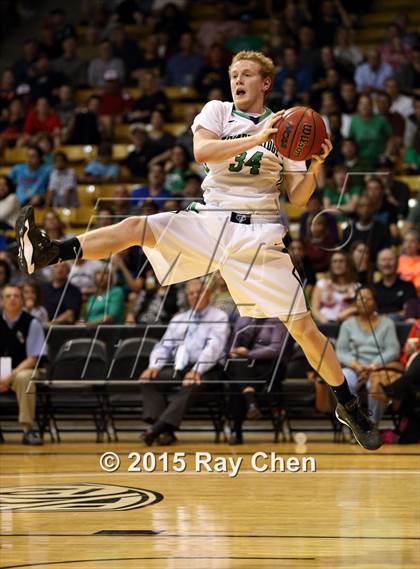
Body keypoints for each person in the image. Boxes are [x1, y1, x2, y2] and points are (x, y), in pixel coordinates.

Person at [15, 50, 383, 450]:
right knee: (139, 226)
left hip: (257, 234)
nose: (238, 81)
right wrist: (258, 138)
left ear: (266, 83)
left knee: (305, 330)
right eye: (234, 75)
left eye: (247, 75)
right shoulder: (218, 112)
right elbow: (203, 152)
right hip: (210, 218)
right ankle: (51, 251)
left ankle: (347, 404)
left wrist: (313, 166)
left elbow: (297, 197)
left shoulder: (286, 126)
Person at [139, 279, 229, 445]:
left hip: (209, 369)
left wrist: (197, 370)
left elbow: (214, 348)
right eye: (191, 293)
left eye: (199, 292)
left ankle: (155, 430)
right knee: (149, 380)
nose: (195, 296)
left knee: (191, 384)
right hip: (181, 367)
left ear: (208, 294)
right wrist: (154, 366)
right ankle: (164, 432)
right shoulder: (179, 319)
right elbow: (164, 346)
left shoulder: (219, 317)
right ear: (187, 297)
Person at [336, 287, 401, 425]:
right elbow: (341, 351)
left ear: (375, 302)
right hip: (353, 367)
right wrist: (357, 366)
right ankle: (353, 423)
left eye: (367, 298)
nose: (363, 302)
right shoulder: (347, 324)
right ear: (355, 303)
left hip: (378, 368)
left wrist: (372, 366)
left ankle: (371, 424)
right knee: (344, 379)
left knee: (375, 383)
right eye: (360, 299)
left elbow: (393, 349)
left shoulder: (387, 323)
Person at [227, 316, 289, 444]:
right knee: (238, 367)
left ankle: (237, 431)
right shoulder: (243, 319)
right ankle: (251, 402)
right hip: (245, 365)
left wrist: (249, 353)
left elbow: (275, 349)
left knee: (238, 381)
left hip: (269, 366)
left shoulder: (277, 320)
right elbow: (232, 345)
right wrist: (234, 351)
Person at [0, 284, 45, 444]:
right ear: (2, 301)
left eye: (16, 296)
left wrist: (9, 377)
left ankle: (28, 430)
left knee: (24, 377)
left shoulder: (32, 323)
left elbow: (33, 358)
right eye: (8, 296)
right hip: (2, 372)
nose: (12, 299)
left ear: (22, 300)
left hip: (25, 369)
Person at [311, 252, 359, 324]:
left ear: (348, 264)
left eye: (341, 261)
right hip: (325, 324)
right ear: (331, 265)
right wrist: (325, 322)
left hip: (348, 325)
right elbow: (314, 309)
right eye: (334, 261)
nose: (338, 264)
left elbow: (358, 309)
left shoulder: (357, 287)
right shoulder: (321, 284)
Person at [373, 248, 417, 319]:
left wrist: (388, 317)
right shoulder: (373, 288)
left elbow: (410, 311)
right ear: (378, 264)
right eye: (384, 260)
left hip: (400, 324)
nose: (387, 263)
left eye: (390, 259)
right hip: (376, 326)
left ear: (397, 263)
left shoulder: (408, 286)